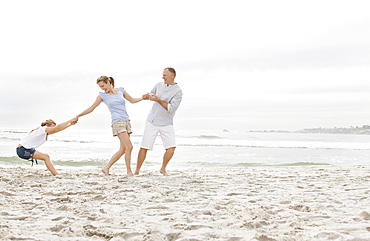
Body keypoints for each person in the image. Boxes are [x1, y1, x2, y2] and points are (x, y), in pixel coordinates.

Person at [75, 76, 145, 177]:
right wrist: (78, 116)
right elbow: (91, 108)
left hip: (126, 121)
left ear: (108, 82)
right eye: (100, 87)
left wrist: (143, 98)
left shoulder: (121, 90)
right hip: (117, 122)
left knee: (123, 149)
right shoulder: (102, 96)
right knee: (129, 146)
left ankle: (106, 168)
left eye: (103, 85)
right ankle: (129, 172)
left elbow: (133, 100)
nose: (102, 88)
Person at [134, 67, 183, 176]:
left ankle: (163, 168)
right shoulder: (158, 85)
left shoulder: (178, 91)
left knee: (171, 148)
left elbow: (171, 108)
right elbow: (151, 94)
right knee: (144, 146)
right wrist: (147, 96)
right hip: (152, 120)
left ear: (172, 76)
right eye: (163, 74)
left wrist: (158, 100)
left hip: (166, 123)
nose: (162, 77)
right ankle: (137, 170)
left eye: (165, 75)